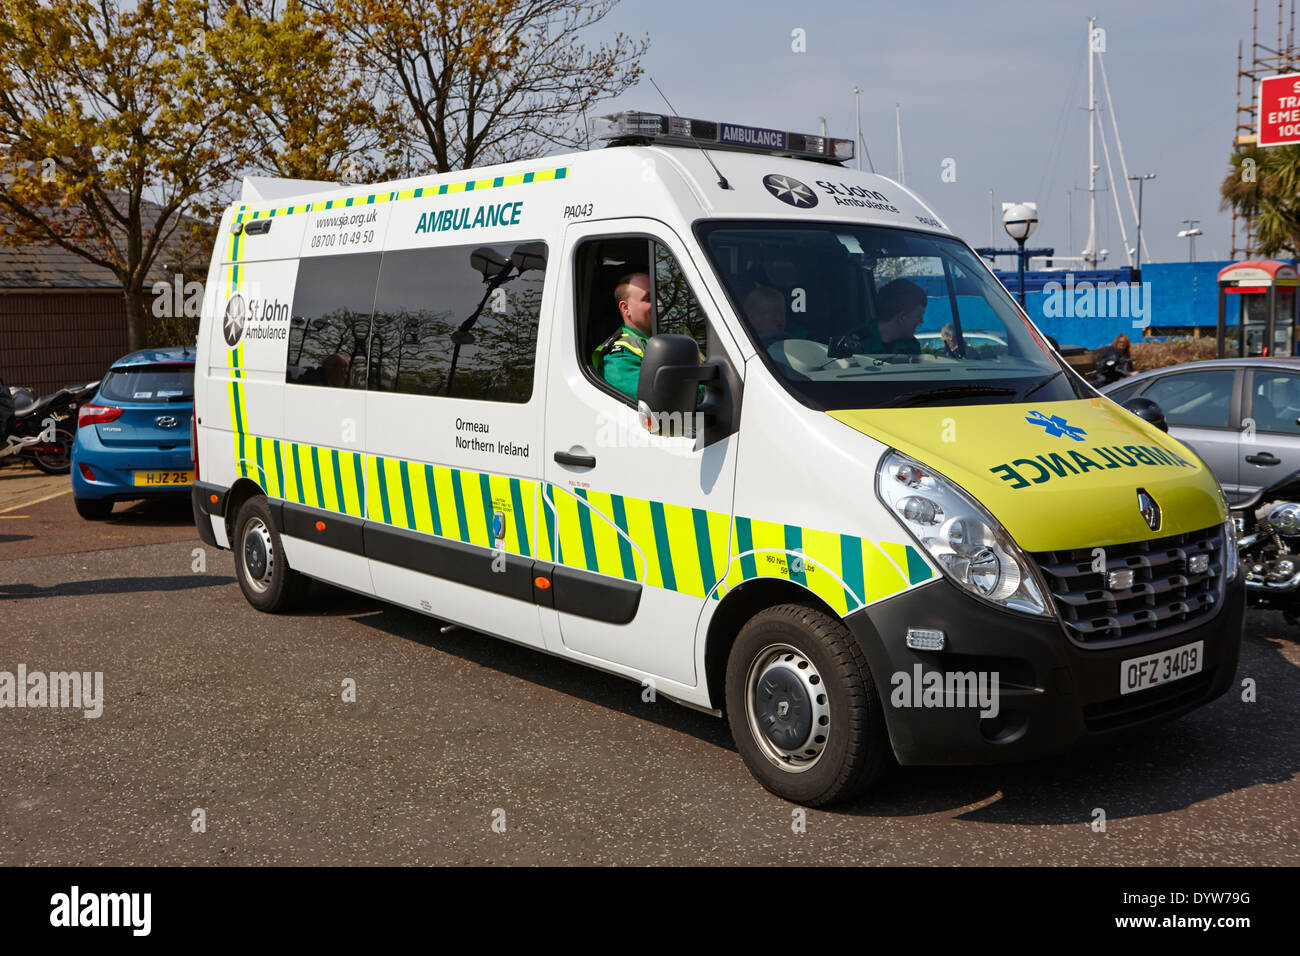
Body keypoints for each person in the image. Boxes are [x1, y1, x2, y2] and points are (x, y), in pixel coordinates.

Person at [593, 272, 652, 399]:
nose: (659, 304)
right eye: (649, 299)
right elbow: (662, 398)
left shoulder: (676, 332)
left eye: (660, 296)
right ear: (626, 308)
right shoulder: (618, 358)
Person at [861, 278, 927, 356]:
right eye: (919, 315)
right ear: (902, 318)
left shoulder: (912, 346)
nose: (921, 321)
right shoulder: (856, 344)